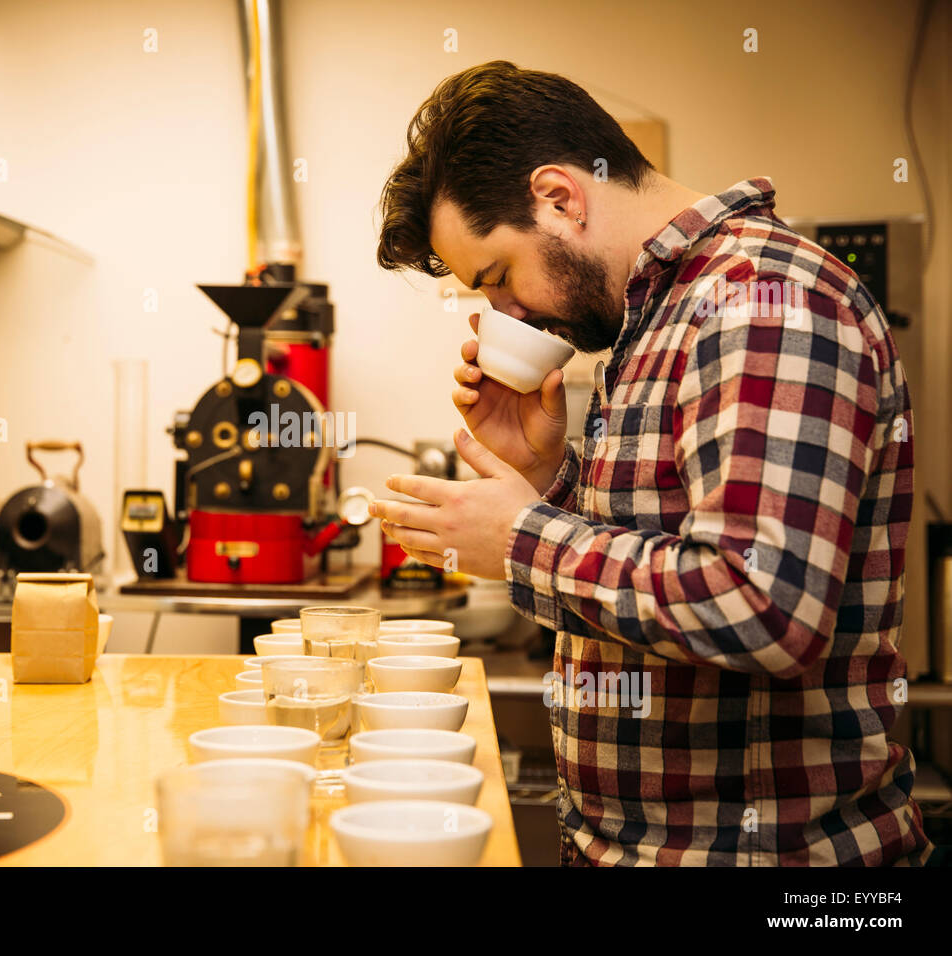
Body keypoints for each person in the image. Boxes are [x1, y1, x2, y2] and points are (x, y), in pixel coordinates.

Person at [369, 60, 932, 866]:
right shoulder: (657, 309)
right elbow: (663, 565)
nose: (507, 313)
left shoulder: (761, 300)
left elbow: (762, 606)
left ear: (559, 197)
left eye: (497, 278)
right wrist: (547, 478)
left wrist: (524, 539)